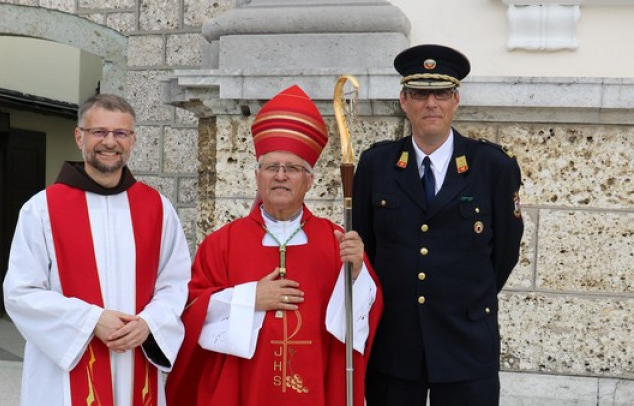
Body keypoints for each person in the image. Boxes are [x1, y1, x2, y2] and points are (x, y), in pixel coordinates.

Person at [165, 85, 383, 406]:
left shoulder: (335, 241)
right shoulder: (221, 244)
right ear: (257, 176)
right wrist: (248, 299)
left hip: (314, 389)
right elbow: (188, 311)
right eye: (271, 167)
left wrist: (356, 274)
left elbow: (364, 318)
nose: (280, 176)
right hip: (242, 388)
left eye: (292, 168)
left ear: (309, 181)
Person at [352, 44, 524, 406]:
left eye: (442, 93)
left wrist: (466, 298)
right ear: (403, 100)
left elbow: (505, 253)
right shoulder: (376, 164)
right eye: (419, 93)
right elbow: (366, 248)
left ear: (456, 100)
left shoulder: (493, 167)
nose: (431, 103)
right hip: (395, 342)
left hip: (466, 340)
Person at [3, 94, 191, 406]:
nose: (109, 142)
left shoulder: (157, 208)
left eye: (120, 133)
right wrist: (91, 320)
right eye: (99, 132)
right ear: (80, 137)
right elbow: (20, 292)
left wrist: (150, 323)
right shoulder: (42, 209)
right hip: (65, 375)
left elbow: (176, 281)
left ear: (133, 141)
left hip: (136, 359)